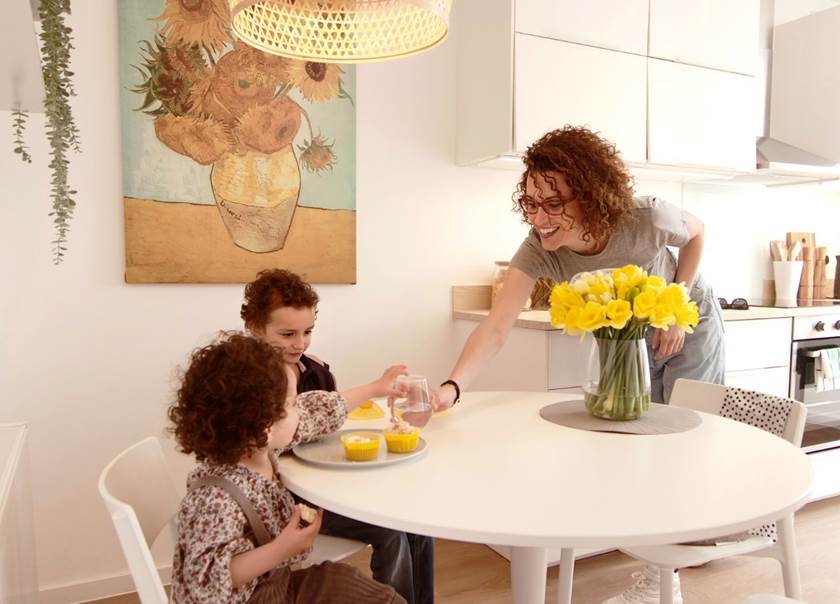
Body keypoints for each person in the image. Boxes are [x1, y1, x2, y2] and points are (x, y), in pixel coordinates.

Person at [433, 126, 725, 604]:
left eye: (553, 204)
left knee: (690, 436)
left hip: (685, 319)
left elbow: (697, 233)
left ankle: (673, 569)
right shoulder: (538, 249)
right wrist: (451, 387)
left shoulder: (646, 217)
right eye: (530, 202)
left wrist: (678, 303)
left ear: (589, 197)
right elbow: (496, 326)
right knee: (639, 446)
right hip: (623, 335)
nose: (540, 217)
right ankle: (658, 567)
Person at [241, 269, 436, 604]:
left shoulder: (312, 370)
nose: (300, 343)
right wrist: (373, 388)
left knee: (417, 524)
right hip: (292, 503)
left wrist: (376, 389)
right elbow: (297, 427)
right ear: (256, 328)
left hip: (321, 485)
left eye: (307, 331)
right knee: (391, 531)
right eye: (288, 333)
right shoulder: (246, 383)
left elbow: (323, 417)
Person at [167, 332, 408, 604]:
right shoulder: (215, 499)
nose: (300, 410)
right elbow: (206, 581)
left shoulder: (258, 447)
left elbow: (317, 412)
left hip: (277, 585)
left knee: (364, 589)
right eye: (292, 404)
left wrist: (375, 388)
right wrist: (281, 549)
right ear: (264, 425)